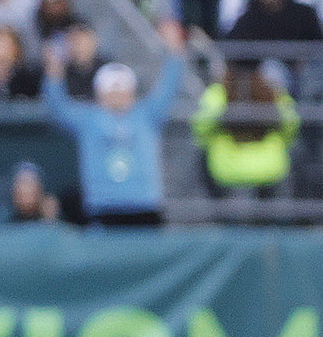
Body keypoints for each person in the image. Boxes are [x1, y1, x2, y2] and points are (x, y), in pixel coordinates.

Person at [41, 22, 189, 227]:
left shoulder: (147, 114)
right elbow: (57, 108)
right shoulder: (88, 119)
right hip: (103, 207)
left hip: (144, 206)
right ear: (99, 93)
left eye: (122, 88)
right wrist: (53, 73)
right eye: (111, 88)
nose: (117, 94)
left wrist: (175, 50)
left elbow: (168, 86)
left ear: (132, 92)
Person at [192, 62, 300, 203]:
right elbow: (291, 123)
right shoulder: (273, 89)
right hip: (269, 168)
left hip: (226, 169)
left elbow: (201, 126)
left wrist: (213, 140)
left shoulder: (219, 91)